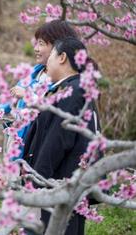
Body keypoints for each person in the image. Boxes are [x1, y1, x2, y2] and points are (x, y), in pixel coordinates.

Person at [22, 37, 100, 235]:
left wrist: (36, 180)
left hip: (61, 183)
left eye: (51, 58)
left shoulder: (74, 91)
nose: (46, 64)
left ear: (63, 58)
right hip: (63, 183)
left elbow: (58, 140)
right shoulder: (72, 88)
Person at [1, 20, 79, 159]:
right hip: (14, 143)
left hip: (34, 150)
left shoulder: (63, 85)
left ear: (59, 48)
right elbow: (9, 101)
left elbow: (52, 109)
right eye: (36, 43)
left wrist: (27, 95)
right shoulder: (32, 73)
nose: (36, 48)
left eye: (41, 44)